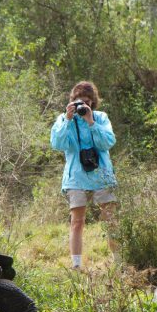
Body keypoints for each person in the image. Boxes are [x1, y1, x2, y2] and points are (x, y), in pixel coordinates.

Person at [50, 81, 118, 270]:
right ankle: (77, 266)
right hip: (76, 177)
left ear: (93, 102)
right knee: (77, 222)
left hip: (102, 175)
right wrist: (67, 119)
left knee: (111, 219)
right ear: (72, 101)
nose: (83, 106)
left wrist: (91, 122)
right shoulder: (65, 120)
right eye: (79, 102)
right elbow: (57, 144)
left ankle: (118, 262)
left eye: (87, 102)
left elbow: (108, 142)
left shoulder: (100, 118)